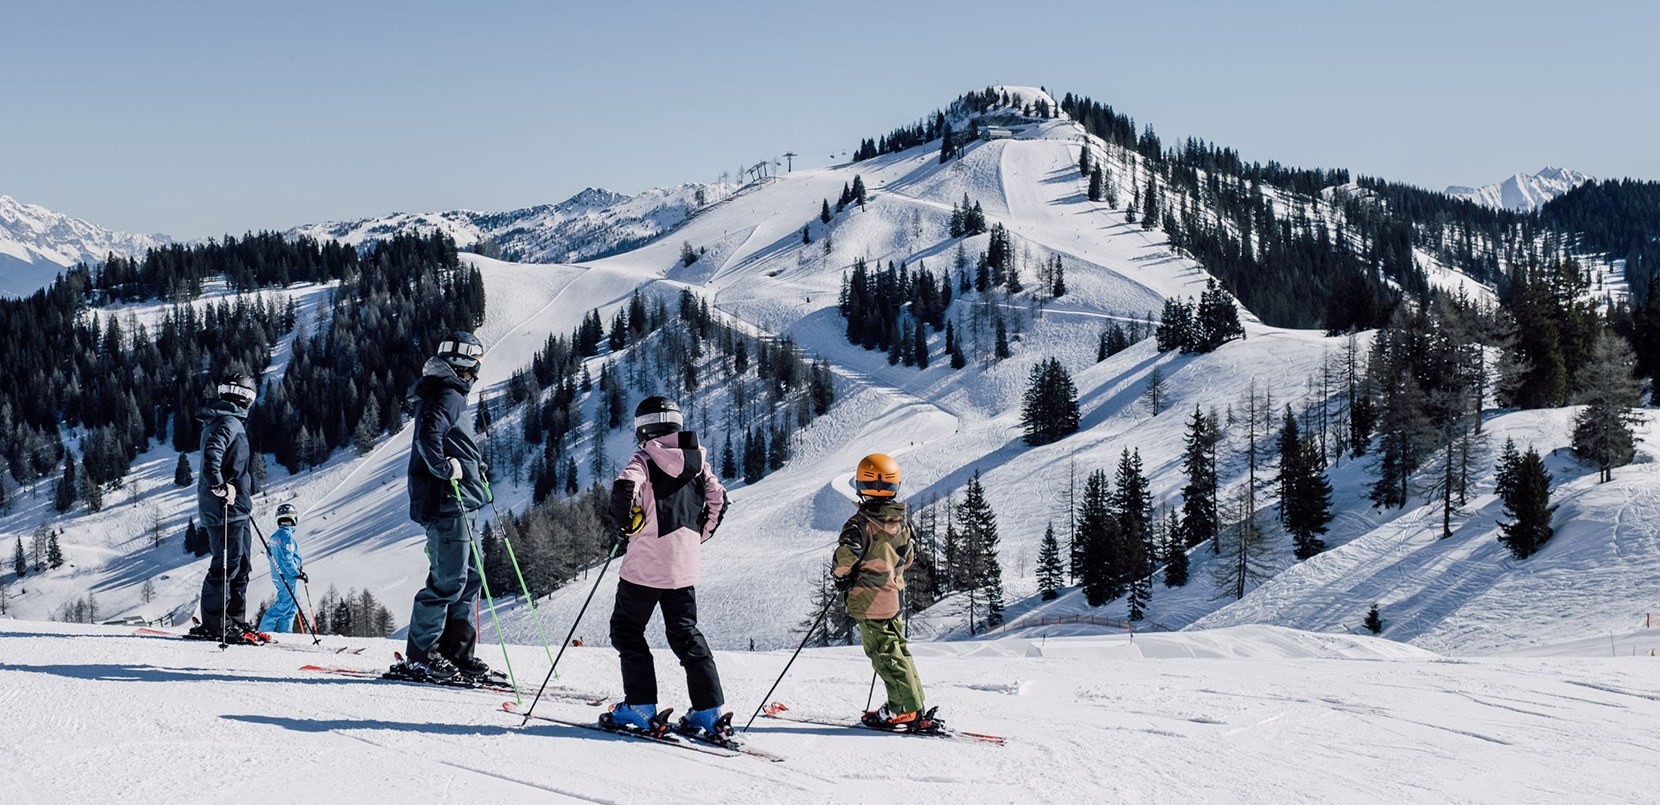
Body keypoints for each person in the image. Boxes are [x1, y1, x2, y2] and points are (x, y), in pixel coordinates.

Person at [601, 396, 731, 740]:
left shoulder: (644, 458)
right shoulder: (698, 461)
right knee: (686, 634)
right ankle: (708, 710)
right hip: (683, 565)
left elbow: (625, 488)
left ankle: (641, 707)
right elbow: (720, 499)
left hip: (645, 565)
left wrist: (625, 524)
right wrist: (697, 536)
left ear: (643, 426)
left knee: (627, 630)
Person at [398, 331, 494, 682]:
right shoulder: (449, 393)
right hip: (448, 500)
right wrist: (443, 467)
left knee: (470, 577)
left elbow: (448, 437)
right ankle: (422, 656)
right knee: (448, 581)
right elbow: (429, 434)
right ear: (466, 362)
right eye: (477, 362)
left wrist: (471, 464)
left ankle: (457, 653)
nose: (478, 370)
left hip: (463, 497)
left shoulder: (446, 391)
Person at [832, 453, 942, 733]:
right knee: (898, 650)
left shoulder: (859, 524)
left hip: (869, 601)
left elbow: (845, 559)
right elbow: (907, 559)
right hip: (894, 596)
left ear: (860, 486)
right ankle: (912, 703)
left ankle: (902, 710)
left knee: (884, 653)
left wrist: (842, 577)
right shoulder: (900, 521)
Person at [188, 372, 261, 644]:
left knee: (241, 566)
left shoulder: (228, 420)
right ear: (246, 397)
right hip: (223, 509)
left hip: (238, 507)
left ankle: (234, 621)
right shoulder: (227, 422)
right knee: (226, 566)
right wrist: (219, 486)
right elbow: (212, 455)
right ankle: (215, 624)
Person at [257, 503, 308, 633]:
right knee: (283, 605)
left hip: (279, 575)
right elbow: (287, 558)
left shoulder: (274, 536)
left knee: (291, 607)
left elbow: (270, 555)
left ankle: (285, 633)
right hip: (288, 576)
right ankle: (263, 631)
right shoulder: (288, 537)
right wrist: (297, 573)